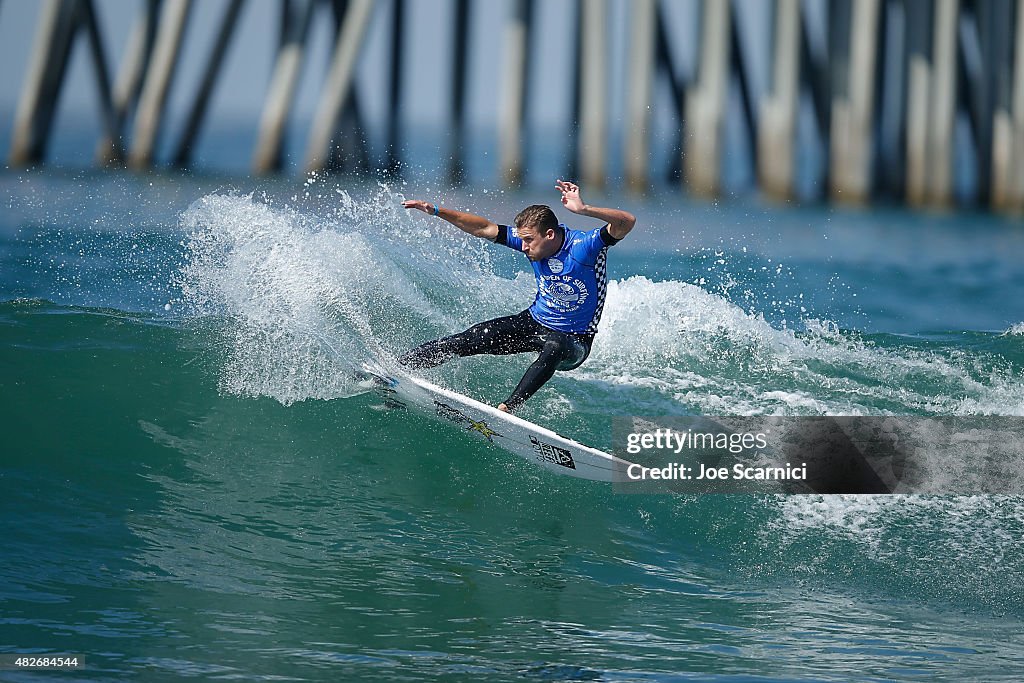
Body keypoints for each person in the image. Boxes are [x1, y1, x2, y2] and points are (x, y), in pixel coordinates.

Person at [400, 180, 636, 413]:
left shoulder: (584, 246)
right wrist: (437, 211)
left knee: (554, 346)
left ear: (550, 234)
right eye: (521, 239)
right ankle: (401, 367)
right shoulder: (529, 240)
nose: (523, 246)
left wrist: (584, 210)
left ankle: (506, 409)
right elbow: (483, 228)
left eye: (528, 240)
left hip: (575, 341)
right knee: (473, 336)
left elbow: (627, 222)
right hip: (534, 323)